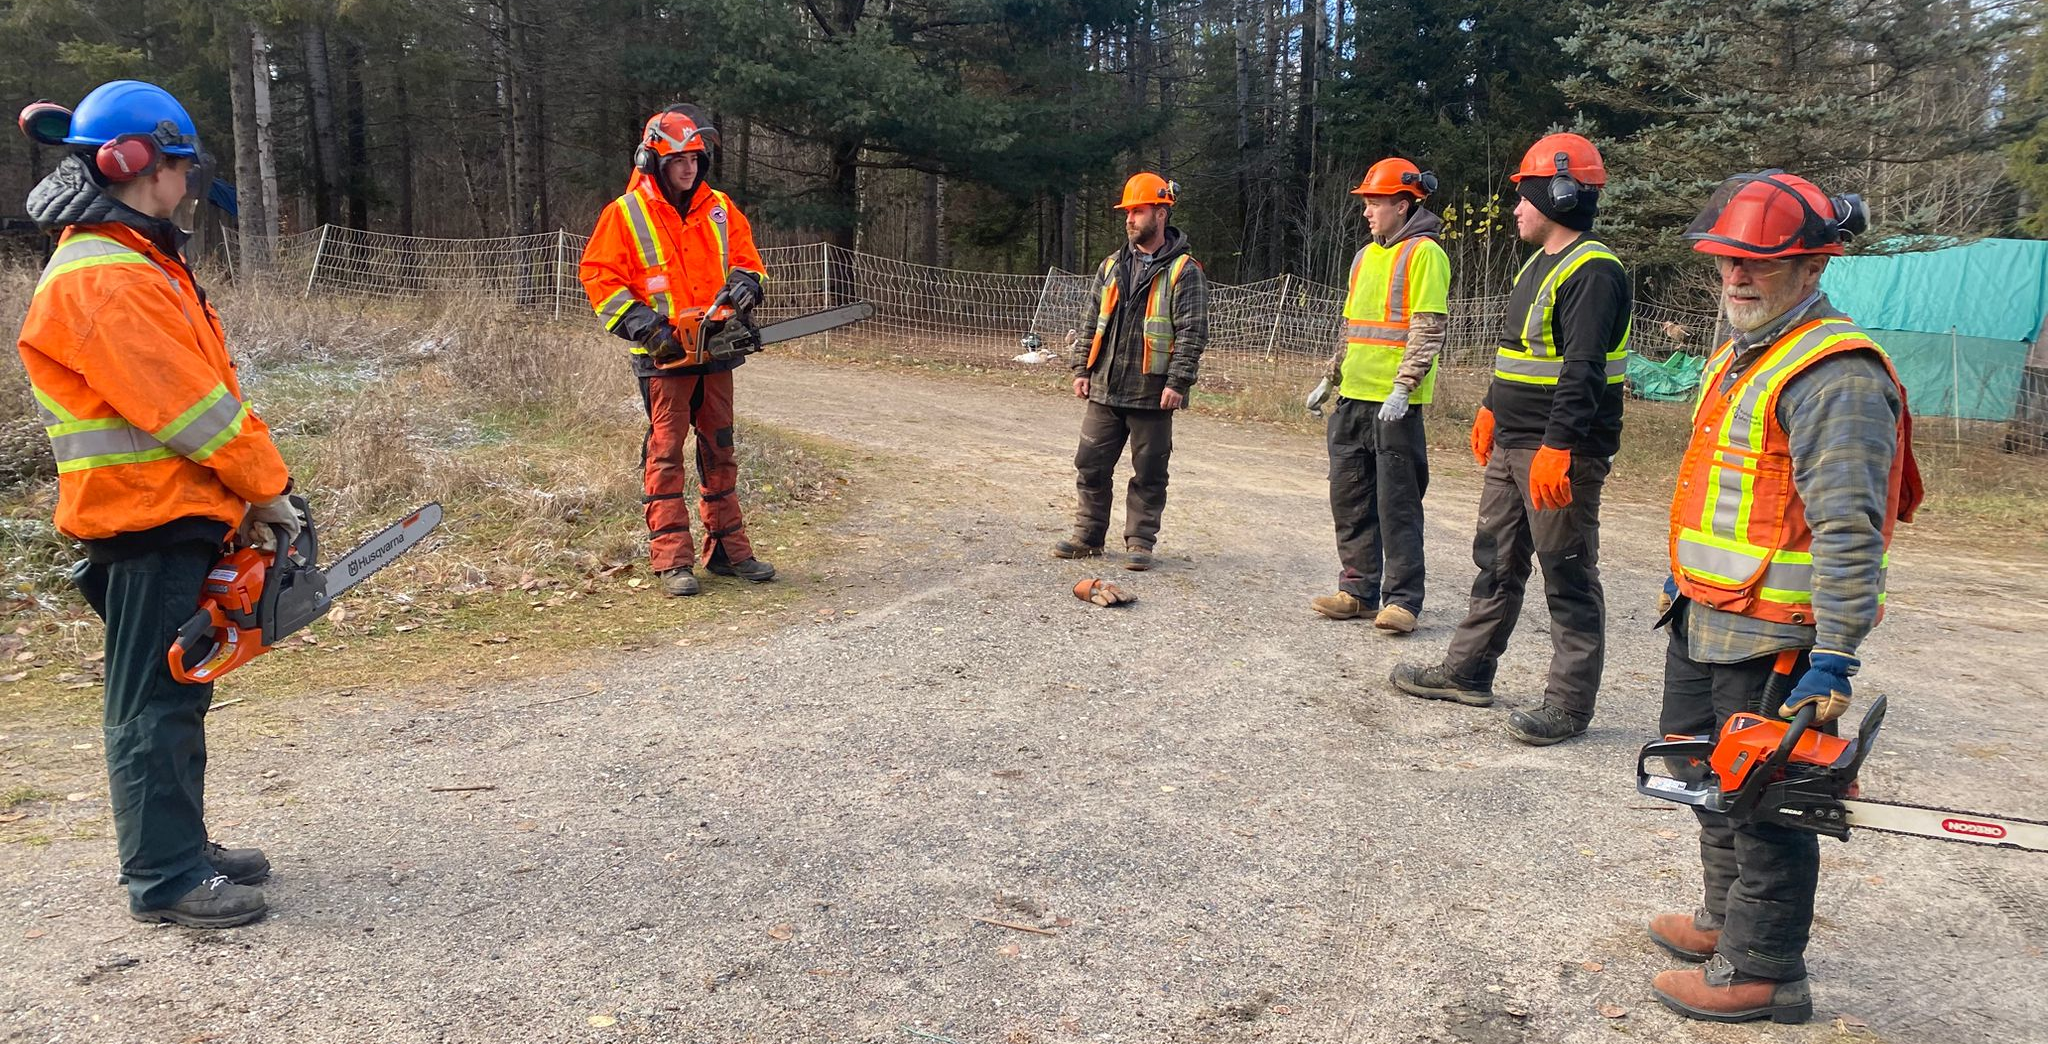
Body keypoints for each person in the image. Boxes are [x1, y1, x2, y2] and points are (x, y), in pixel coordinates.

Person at [15, 81, 296, 927]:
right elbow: (192, 409)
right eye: (179, 165)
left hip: (171, 509)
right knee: (152, 703)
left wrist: (247, 494)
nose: (186, 182)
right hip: (142, 517)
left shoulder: (136, 260)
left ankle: (180, 843)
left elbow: (204, 393)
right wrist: (269, 487)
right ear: (140, 166)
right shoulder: (106, 277)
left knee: (181, 692)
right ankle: (164, 877)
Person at [1647, 171, 1919, 1024]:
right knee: (1706, 778)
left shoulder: (1835, 376)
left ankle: (1763, 972)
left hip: (1776, 638)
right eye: (1729, 260)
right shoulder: (1745, 347)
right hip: (1706, 614)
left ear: (1812, 268)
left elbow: (1849, 527)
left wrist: (1833, 657)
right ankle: (1726, 925)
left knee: (1765, 806)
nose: (1737, 277)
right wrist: (1684, 580)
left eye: (1761, 263)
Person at [1389, 132, 1632, 747]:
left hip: (1559, 451)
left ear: (1559, 192)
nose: (1516, 208)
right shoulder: (1538, 263)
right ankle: (1468, 672)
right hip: (1514, 442)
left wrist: (1560, 446)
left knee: (1567, 572)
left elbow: (1583, 370)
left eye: (1524, 196)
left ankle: (1569, 704)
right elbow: (1520, 354)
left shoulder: (1594, 270)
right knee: (1494, 561)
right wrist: (1491, 407)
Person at [579, 104, 772, 597]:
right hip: (663, 355)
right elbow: (600, 277)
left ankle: (728, 551)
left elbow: (749, 262)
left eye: (695, 159)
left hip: (717, 349)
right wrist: (646, 326)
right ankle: (671, 561)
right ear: (654, 162)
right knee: (666, 455)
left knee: (720, 448)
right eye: (678, 160)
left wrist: (747, 285)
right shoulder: (625, 214)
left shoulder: (720, 208)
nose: (689, 168)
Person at [1309, 158, 1449, 634]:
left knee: (1398, 505)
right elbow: (1352, 329)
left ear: (1403, 204)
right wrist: (1330, 377)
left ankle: (1403, 600)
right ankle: (1358, 591)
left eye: (1375, 202)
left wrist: (1404, 388)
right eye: (1366, 202)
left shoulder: (1426, 254)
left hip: (1395, 406)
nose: (1367, 211)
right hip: (1352, 398)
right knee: (1349, 499)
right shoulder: (1364, 257)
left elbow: (1427, 330)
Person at [1052, 172, 1209, 571]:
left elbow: (1193, 331)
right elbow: (1092, 321)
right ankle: (1088, 536)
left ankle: (1140, 542)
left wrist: (1178, 381)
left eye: (1138, 211)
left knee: (1150, 471)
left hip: (1152, 392)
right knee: (1090, 464)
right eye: (1128, 212)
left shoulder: (1184, 270)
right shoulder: (1110, 266)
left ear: (1161, 212)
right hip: (1105, 386)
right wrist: (1081, 369)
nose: (1130, 219)